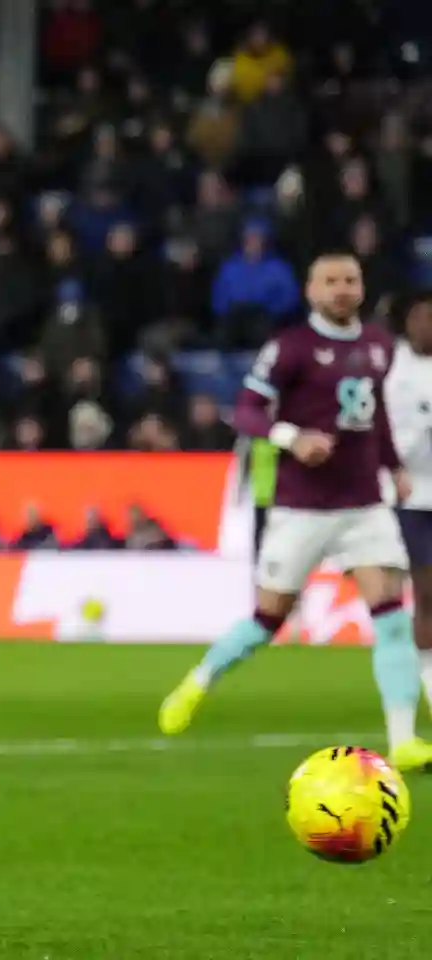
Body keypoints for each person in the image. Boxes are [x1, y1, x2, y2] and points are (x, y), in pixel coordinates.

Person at [158, 254, 432, 772]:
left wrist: (392, 466)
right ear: (310, 290)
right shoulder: (290, 348)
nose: (342, 290)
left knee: (392, 618)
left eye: (350, 280)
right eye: (330, 281)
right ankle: (198, 682)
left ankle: (404, 740)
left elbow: (376, 423)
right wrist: (292, 437)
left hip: (364, 506)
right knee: (268, 620)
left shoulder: (378, 345)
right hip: (301, 508)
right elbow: (244, 410)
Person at [385, 289, 432, 739]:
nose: (427, 326)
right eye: (420, 318)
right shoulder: (395, 371)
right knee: (427, 592)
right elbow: (394, 443)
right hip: (413, 498)